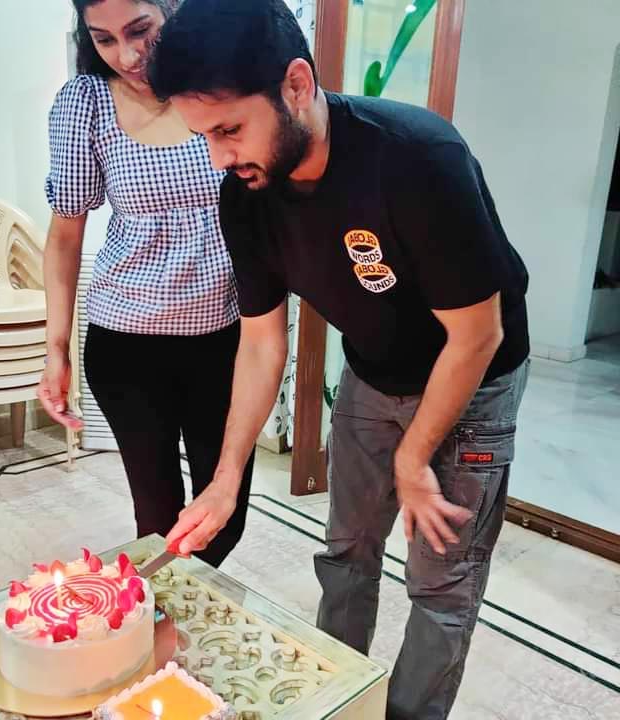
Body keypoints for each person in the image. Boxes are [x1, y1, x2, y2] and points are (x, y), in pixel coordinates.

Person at [148, 1, 531, 717]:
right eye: (203, 137)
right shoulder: (247, 196)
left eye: (229, 130)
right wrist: (225, 481)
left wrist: (414, 455)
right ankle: (336, 701)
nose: (219, 158)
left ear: (296, 85)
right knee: (347, 553)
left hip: (474, 380)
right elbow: (262, 342)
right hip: (372, 371)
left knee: (441, 585)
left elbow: (477, 336)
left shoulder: (417, 157)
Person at [37, 0, 254, 568]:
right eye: (104, 39)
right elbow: (65, 236)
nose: (127, 55)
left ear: (172, 10)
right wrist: (55, 349)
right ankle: (159, 617)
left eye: (141, 31)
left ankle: (179, 600)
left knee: (223, 517)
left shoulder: (221, 88)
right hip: (126, 342)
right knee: (156, 519)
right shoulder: (85, 103)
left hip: (225, 338)